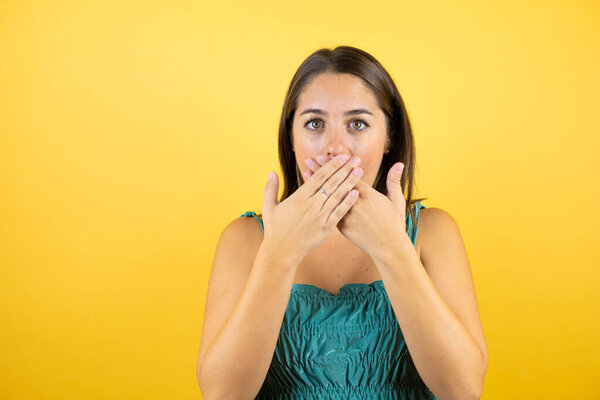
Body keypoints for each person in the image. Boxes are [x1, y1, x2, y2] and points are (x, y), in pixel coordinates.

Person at [196, 46, 488, 399]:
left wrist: (394, 248)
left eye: (358, 124)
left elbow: (464, 390)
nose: (335, 148)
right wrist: (279, 253)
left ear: (388, 139)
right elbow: (221, 394)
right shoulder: (244, 240)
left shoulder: (433, 232)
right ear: (291, 138)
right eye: (315, 124)